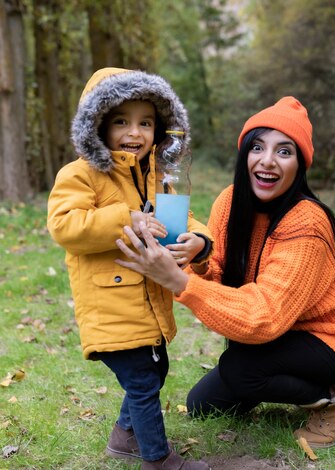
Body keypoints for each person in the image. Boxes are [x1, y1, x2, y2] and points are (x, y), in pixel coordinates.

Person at [115, 96, 335, 450]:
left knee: (241, 368)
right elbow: (219, 274)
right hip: (275, 339)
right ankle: (267, 375)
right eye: (258, 147)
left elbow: (265, 316)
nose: (267, 161)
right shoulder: (231, 200)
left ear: (300, 164)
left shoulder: (308, 222)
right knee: (203, 406)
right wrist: (201, 256)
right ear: (245, 155)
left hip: (330, 341)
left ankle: (333, 399)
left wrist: (179, 281)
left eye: (284, 151)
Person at [47, 67, 212, 470]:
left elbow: (182, 220)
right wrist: (127, 218)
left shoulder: (157, 176)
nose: (134, 133)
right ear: (98, 124)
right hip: (112, 305)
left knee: (155, 372)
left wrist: (200, 240)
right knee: (142, 383)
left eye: (145, 123)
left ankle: (124, 437)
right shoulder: (81, 174)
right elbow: (65, 225)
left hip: (149, 302)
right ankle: (158, 460)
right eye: (121, 121)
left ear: (160, 129)